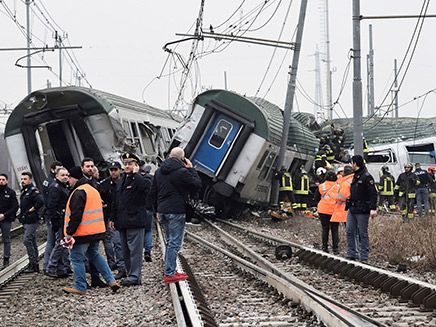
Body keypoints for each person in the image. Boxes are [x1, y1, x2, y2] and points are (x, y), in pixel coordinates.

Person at [63, 166, 119, 295]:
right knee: (95, 255)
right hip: (96, 231)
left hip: (82, 233)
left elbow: (76, 215)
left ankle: (80, 286)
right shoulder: (92, 190)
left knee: (76, 258)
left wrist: (69, 233)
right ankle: (111, 281)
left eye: (70, 178)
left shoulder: (78, 192)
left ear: (75, 179)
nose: (69, 181)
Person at [150, 147, 201, 284]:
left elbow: (153, 192)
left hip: (163, 210)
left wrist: (156, 210)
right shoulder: (183, 172)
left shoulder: (159, 171)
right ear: (182, 158)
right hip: (176, 210)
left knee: (169, 241)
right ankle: (170, 273)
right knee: (174, 242)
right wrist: (191, 168)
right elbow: (197, 184)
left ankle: (171, 269)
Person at [110, 153, 151, 287]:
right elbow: (116, 200)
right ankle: (129, 273)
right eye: (125, 164)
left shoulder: (140, 178)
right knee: (124, 250)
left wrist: (136, 174)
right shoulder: (122, 180)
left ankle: (135, 276)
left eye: (130, 164)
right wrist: (112, 217)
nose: (127, 166)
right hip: (122, 220)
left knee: (135, 250)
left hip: (135, 220)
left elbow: (146, 187)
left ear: (136, 165)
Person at [345, 155, 377, 262]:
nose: (351, 165)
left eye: (352, 163)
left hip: (363, 209)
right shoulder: (356, 175)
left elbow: (373, 193)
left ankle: (364, 256)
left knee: (363, 233)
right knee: (349, 230)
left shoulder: (367, 176)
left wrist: (373, 208)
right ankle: (351, 253)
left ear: (355, 163)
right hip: (352, 208)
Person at [99, 161, 126, 278]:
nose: (113, 172)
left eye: (115, 169)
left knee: (125, 242)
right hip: (110, 216)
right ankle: (120, 266)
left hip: (125, 215)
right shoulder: (104, 185)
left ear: (120, 170)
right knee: (117, 242)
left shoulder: (125, 181)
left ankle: (125, 265)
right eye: (111, 170)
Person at [45, 167, 71, 278]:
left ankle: (61, 269)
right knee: (61, 243)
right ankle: (51, 266)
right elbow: (51, 205)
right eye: (62, 175)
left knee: (63, 244)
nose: (65, 177)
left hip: (63, 218)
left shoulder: (62, 186)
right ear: (57, 176)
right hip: (59, 218)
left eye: (66, 175)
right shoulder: (55, 188)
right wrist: (54, 220)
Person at [19, 172, 44, 273]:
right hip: (27, 220)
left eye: (25, 179)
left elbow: (40, 201)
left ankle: (32, 262)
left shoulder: (33, 191)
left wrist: (31, 210)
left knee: (27, 240)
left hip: (33, 219)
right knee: (32, 241)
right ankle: (35, 264)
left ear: (30, 180)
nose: (23, 181)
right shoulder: (25, 191)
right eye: (22, 179)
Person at [42, 161, 63, 274]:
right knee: (53, 241)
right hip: (53, 215)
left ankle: (52, 265)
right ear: (53, 170)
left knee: (53, 241)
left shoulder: (48, 181)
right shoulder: (53, 184)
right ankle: (48, 266)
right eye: (58, 169)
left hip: (50, 214)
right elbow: (50, 201)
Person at [331, 165, 354, 254]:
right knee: (356, 231)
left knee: (348, 231)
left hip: (344, 210)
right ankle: (357, 251)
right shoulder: (357, 179)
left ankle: (349, 251)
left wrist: (333, 196)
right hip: (356, 209)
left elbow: (341, 197)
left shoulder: (344, 182)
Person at [315, 170, 338, 254]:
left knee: (325, 229)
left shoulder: (321, 186)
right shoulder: (338, 186)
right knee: (335, 229)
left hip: (323, 210)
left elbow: (316, 198)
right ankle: (335, 248)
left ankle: (324, 247)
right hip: (335, 210)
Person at [0, 173, 19, 270]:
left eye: (3, 179)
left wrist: (5, 215)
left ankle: (6, 260)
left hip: (6, 219)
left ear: (7, 181)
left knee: (6, 239)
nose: (1, 181)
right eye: (0, 179)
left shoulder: (11, 192)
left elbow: (15, 206)